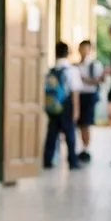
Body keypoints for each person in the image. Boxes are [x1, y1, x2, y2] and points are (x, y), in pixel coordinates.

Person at [43, 41, 82, 170]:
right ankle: (72, 161)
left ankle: (47, 160)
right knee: (70, 133)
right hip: (66, 105)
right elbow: (74, 92)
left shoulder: (52, 69)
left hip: (53, 105)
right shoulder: (71, 70)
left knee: (52, 133)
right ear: (68, 53)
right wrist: (76, 110)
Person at [76, 39, 103, 162]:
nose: (83, 51)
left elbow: (98, 80)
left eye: (86, 48)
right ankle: (81, 148)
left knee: (86, 123)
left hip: (89, 95)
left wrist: (84, 79)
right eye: (82, 48)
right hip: (78, 96)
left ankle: (86, 148)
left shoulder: (94, 65)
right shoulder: (76, 65)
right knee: (79, 123)